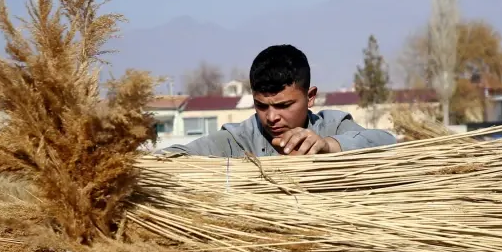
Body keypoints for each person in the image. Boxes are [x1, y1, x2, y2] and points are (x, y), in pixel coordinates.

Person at [163, 45, 395, 157]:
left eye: (284, 105)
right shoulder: (238, 139)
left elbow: (387, 142)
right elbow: (171, 155)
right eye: (261, 106)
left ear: (310, 97)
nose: (272, 117)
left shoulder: (332, 126)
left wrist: (328, 146)